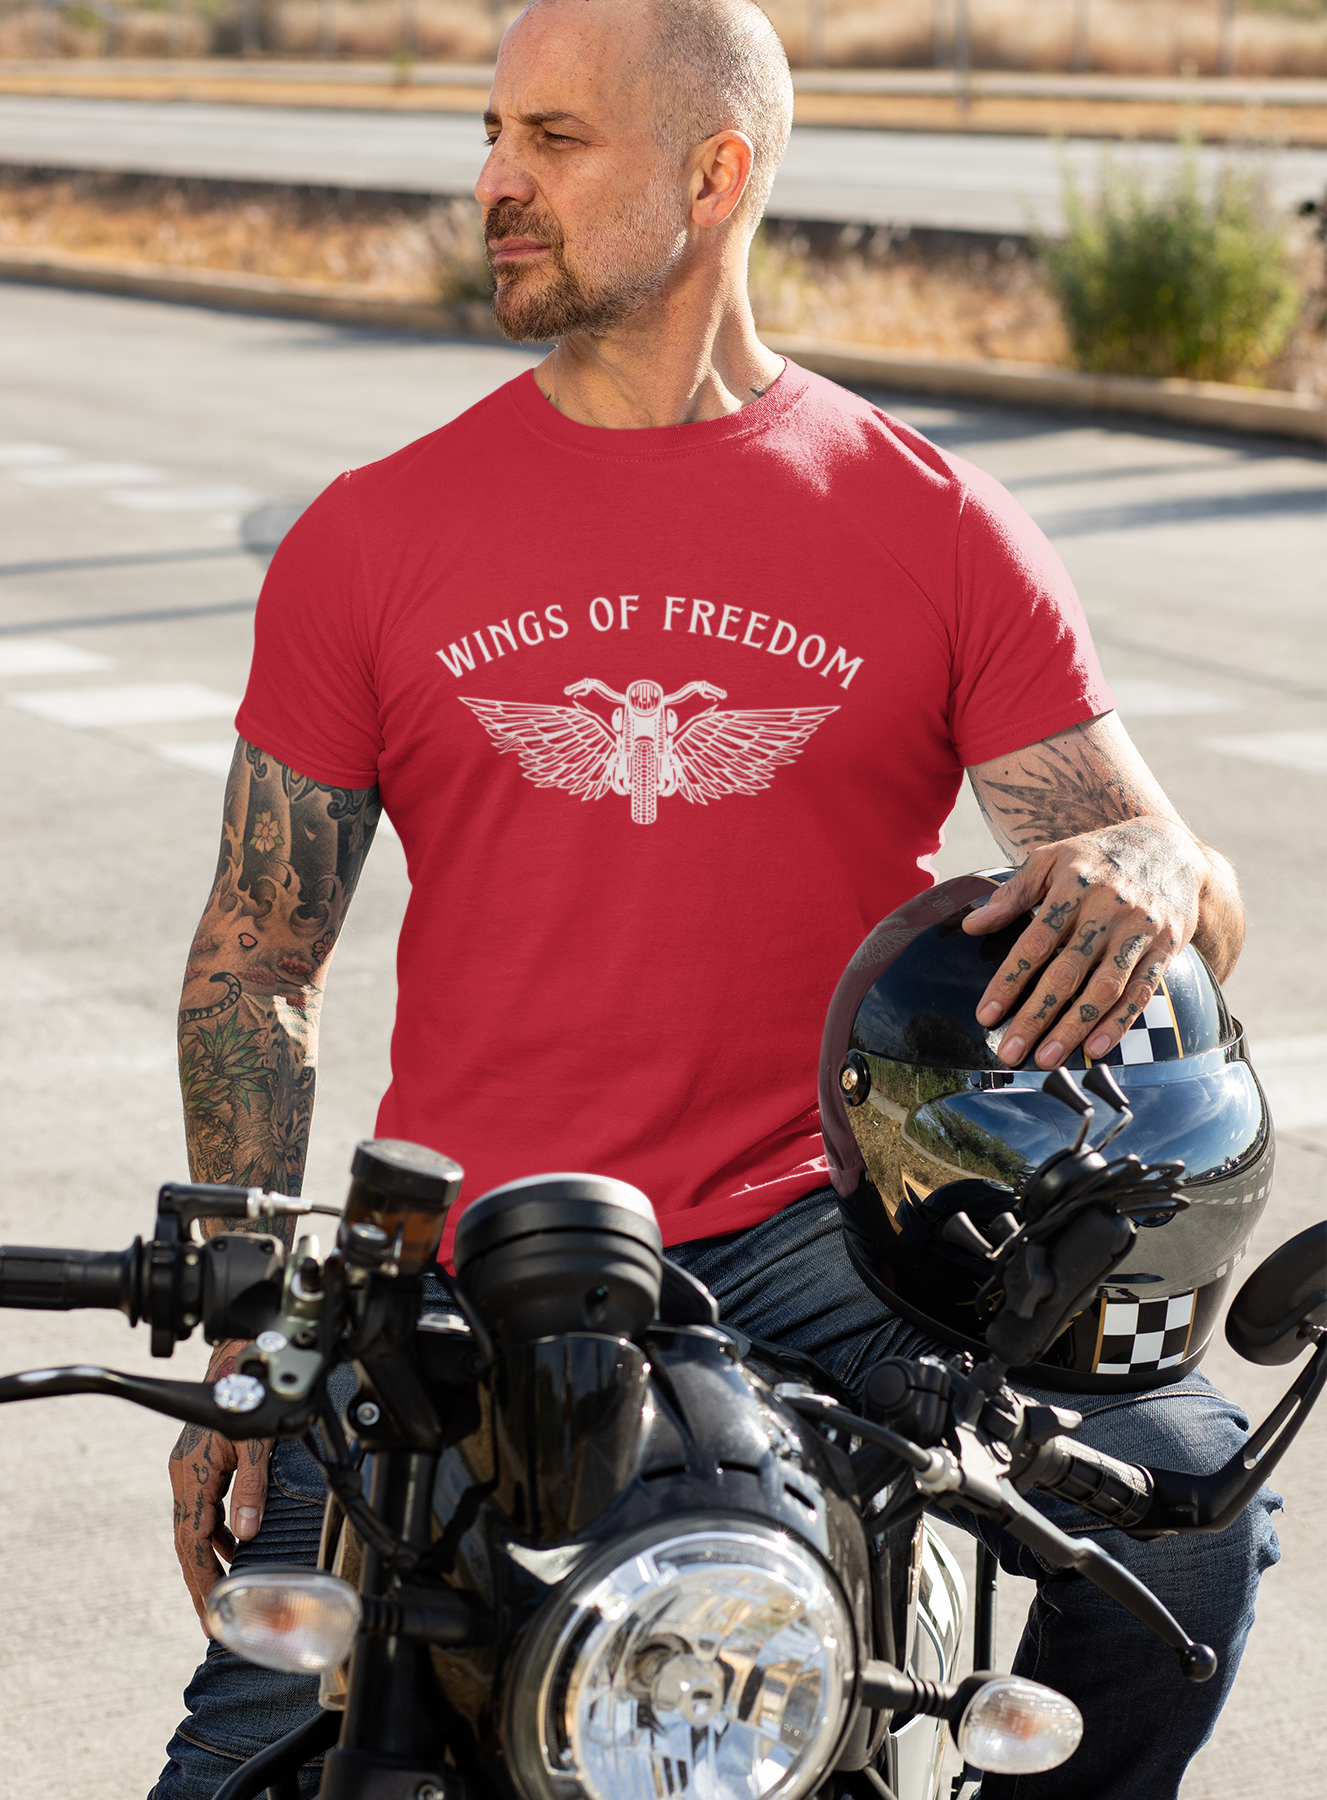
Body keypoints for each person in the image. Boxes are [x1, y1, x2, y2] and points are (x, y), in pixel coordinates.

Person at [153, 1, 1279, 1794]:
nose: (493, 182)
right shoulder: (372, 535)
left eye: (554, 142)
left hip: (826, 1242)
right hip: (469, 1263)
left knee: (1187, 1522)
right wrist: (251, 1329)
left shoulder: (931, 523)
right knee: (248, 1750)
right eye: (498, 133)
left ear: (716, 172)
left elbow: (1175, 894)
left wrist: (1162, 862)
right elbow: (258, 958)